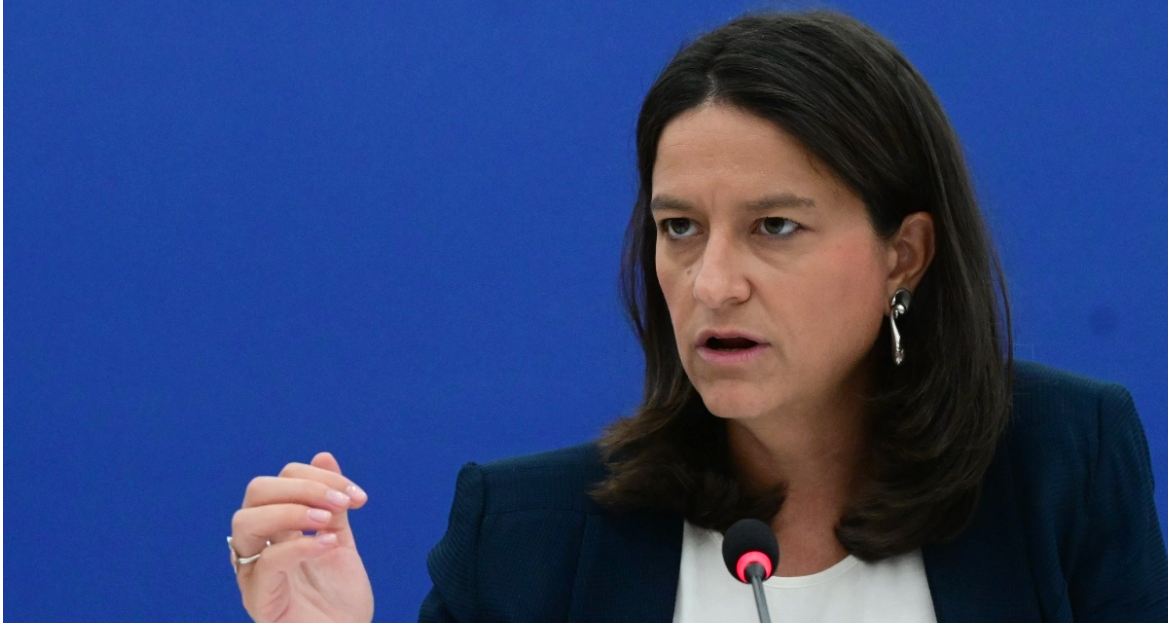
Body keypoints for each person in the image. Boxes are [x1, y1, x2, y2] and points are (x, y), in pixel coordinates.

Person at [227, 10, 1168, 622]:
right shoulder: (527, 537)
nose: (713, 282)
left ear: (904, 254)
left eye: (774, 227)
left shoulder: (1060, 464)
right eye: (680, 227)